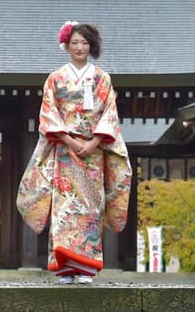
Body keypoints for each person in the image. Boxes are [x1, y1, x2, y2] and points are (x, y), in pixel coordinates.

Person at [16, 20, 131, 285]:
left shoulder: (102, 78)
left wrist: (92, 143)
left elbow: (109, 114)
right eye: (75, 42)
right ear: (66, 45)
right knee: (64, 207)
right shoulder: (56, 78)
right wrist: (68, 140)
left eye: (85, 42)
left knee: (90, 206)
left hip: (94, 151)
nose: (80, 47)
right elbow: (49, 113)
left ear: (92, 46)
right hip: (65, 152)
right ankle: (65, 268)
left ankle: (87, 269)